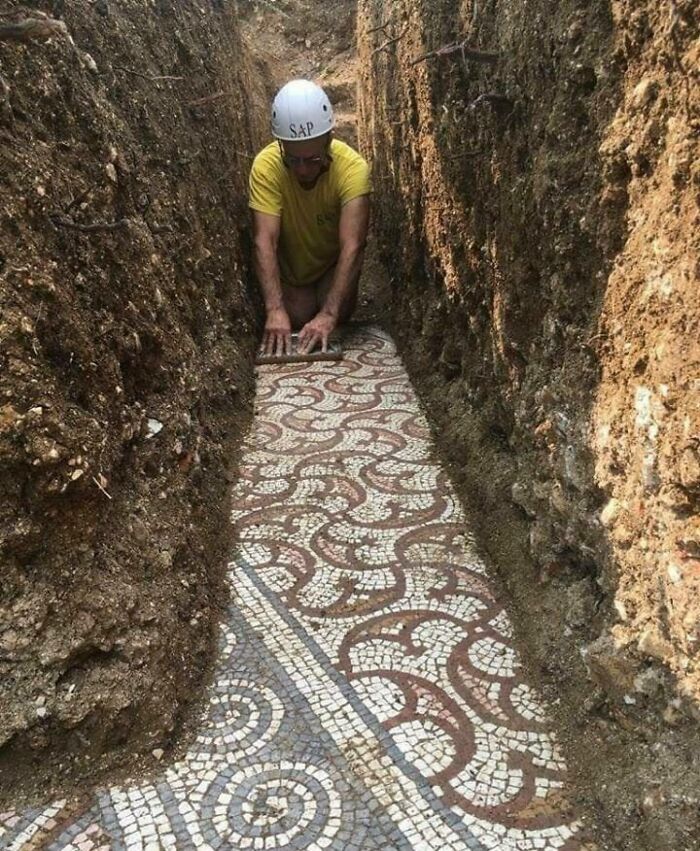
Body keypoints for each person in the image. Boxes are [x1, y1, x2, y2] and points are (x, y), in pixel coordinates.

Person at [249, 79, 372, 356]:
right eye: (293, 160)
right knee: (299, 314)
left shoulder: (353, 169)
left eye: (313, 159)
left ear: (329, 140)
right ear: (280, 145)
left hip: (330, 271)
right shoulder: (266, 167)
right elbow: (263, 240)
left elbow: (353, 245)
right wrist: (275, 310)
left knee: (336, 311)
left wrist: (329, 313)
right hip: (293, 278)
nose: (303, 170)